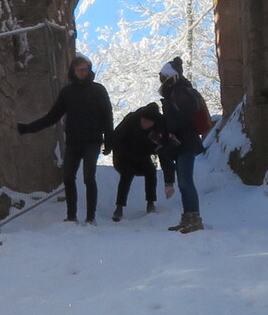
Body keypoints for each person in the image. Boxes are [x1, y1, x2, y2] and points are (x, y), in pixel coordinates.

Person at [20, 55, 115, 223]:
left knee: (89, 177)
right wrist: (28, 128)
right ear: (73, 71)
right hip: (73, 141)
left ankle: (90, 217)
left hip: (92, 140)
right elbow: (52, 116)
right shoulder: (67, 92)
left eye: (85, 69)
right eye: (79, 70)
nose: (83, 73)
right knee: (68, 178)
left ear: (89, 70)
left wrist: (109, 141)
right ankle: (71, 217)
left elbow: (107, 116)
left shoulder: (98, 90)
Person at [158, 58, 211, 234]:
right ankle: (188, 217)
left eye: (163, 76)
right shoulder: (176, 92)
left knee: (185, 181)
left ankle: (194, 218)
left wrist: (171, 130)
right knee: (183, 182)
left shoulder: (179, 91)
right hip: (183, 142)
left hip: (186, 141)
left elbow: (184, 115)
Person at [108, 105, 164, 220]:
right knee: (126, 175)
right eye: (143, 120)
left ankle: (150, 203)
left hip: (143, 154)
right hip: (124, 154)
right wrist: (117, 150)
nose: (144, 124)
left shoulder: (160, 124)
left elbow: (163, 143)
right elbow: (116, 137)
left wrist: (156, 147)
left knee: (151, 172)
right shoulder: (131, 119)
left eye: (148, 122)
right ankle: (119, 207)